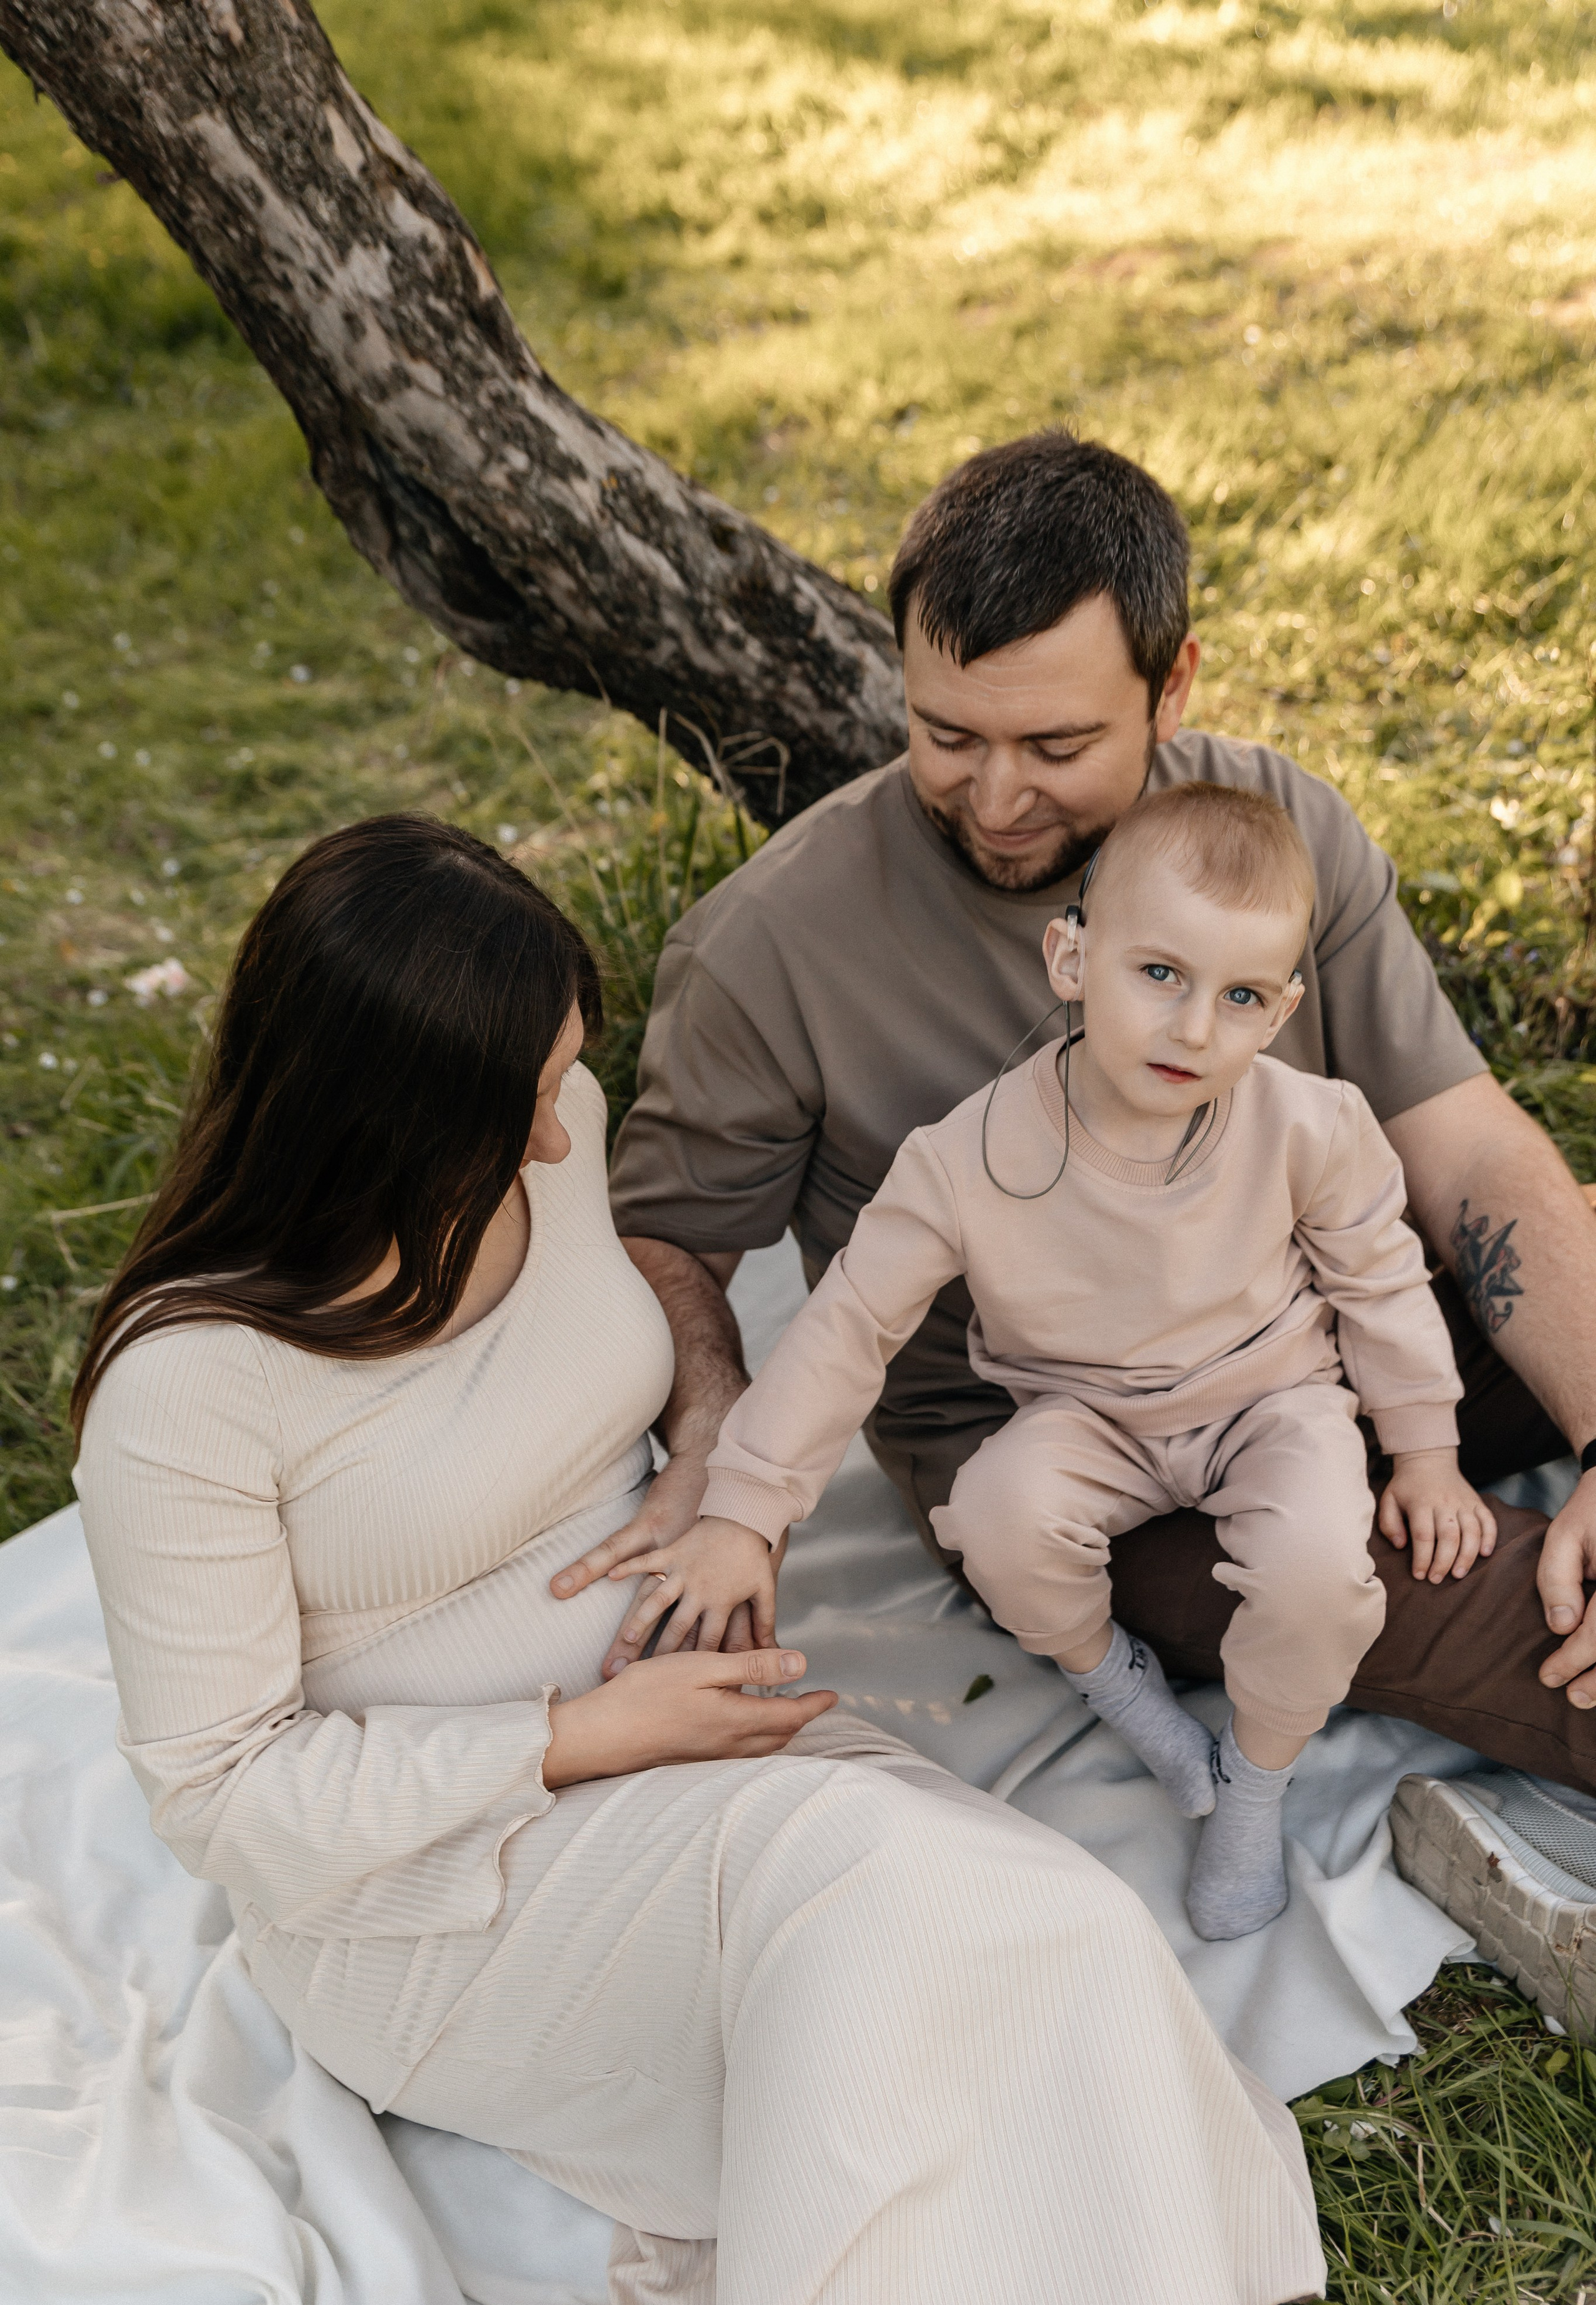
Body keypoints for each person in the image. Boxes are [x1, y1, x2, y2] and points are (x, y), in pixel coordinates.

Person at [70, 814, 1325, 2305]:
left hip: (696, 1739)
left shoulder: (563, 1119)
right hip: (437, 1884)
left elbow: (646, 1322)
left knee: (1038, 1926)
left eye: (559, 1076)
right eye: (516, 1104)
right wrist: (578, 1735)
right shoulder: (187, 1395)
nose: (556, 1132)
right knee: (890, 1908)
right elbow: (222, 1798)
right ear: (369, 1120)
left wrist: (701, 1440)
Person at [586, 431, 1596, 1990]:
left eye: (1054, 747)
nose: (992, 797)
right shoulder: (771, 945)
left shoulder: (1273, 833)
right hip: (1072, 1458)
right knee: (1446, 1612)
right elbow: (659, 1238)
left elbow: (1462, 1150)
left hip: (1311, 1337)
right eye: (942, 735)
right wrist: (715, 1424)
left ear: (1171, 682)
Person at [605, 782, 1497, 1942]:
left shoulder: (1309, 1124)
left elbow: (1381, 1279)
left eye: (1237, 998)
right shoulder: (969, 1156)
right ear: (1073, 958)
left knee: (1323, 1576)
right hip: (1089, 1412)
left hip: (1272, 1395)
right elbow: (847, 1328)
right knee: (998, 1518)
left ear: (1280, 1013)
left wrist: (1426, 1451)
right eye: (1159, 976)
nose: (1191, 1030)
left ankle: (1256, 1785)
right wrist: (745, 1508)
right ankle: (1128, 1698)